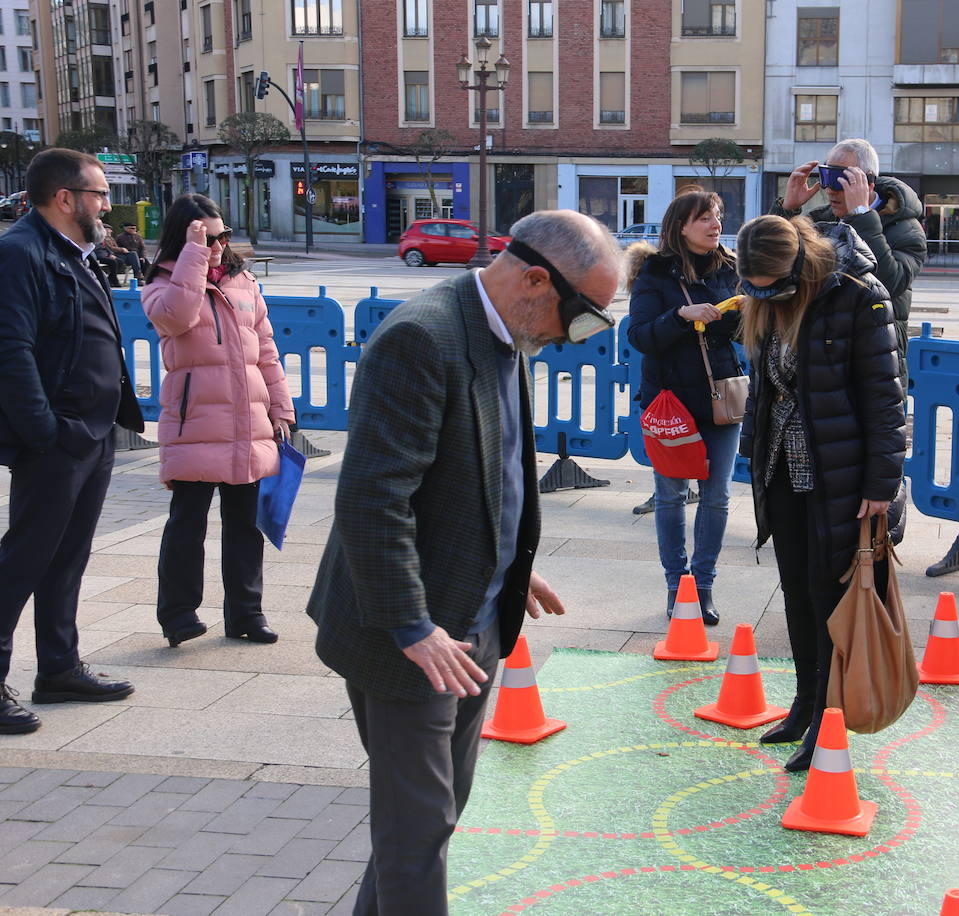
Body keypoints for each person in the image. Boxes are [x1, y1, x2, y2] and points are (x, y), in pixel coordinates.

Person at [306, 210, 621, 915]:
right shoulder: (424, 338)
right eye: (586, 316)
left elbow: (485, 472)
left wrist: (509, 565)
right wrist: (413, 627)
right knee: (416, 832)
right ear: (537, 279)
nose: (577, 336)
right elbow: (371, 502)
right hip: (412, 639)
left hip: (473, 615)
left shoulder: (507, 333)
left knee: (430, 818)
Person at [736, 214, 905, 772]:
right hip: (784, 464)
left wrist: (883, 482)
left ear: (799, 266)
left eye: (770, 283)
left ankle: (829, 721)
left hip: (841, 472)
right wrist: (752, 448)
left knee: (830, 596)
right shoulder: (771, 295)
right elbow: (767, 385)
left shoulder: (857, 295)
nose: (761, 295)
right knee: (796, 590)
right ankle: (805, 704)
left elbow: (885, 395)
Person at [0, 148, 145, 735]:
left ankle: (58, 666)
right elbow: (11, 350)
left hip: (93, 432)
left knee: (67, 558)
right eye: (100, 194)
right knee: (23, 560)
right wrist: (44, 432)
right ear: (66, 199)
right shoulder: (19, 253)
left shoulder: (76, 253)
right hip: (59, 438)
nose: (107, 205)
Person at [141, 194, 295, 648]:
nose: (219, 243)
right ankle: (178, 615)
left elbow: (265, 348)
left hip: (249, 422)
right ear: (185, 235)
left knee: (247, 526)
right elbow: (175, 318)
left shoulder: (242, 279)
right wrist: (192, 255)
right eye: (208, 235)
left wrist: (282, 409)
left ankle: (247, 613)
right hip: (195, 423)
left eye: (222, 234)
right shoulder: (164, 281)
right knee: (186, 524)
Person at [626, 187, 743, 625]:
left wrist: (744, 313)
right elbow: (638, 336)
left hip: (720, 399)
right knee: (671, 496)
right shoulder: (654, 272)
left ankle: (704, 584)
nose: (715, 224)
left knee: (717, 497)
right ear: (680, 226)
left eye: (717, 215)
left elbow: (744, 334)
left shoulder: (730, 268)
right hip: (669, 402)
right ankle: (678, 587)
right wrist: (680, 317)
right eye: (704, 218)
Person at [772, 138, 926, 341]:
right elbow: (773, 264)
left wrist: (861, 216)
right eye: (827, 177)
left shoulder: (907, 230)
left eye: (841, 180)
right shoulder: (820, 220)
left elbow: (889, 283)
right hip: (824, 349)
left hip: (876, 352)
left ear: (868, 183)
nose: (830, 190)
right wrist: (787, 211)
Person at [94, 223, 128, 287]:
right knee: (113, 262)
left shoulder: (103, 238)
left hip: (106, 255)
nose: (111, 231)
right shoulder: (96, 237)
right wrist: (100, 244)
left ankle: (110, 278)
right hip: (99, 256)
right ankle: (114, 279)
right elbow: (95, 248)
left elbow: (107, 248)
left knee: (120, 261)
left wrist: (111, 254)